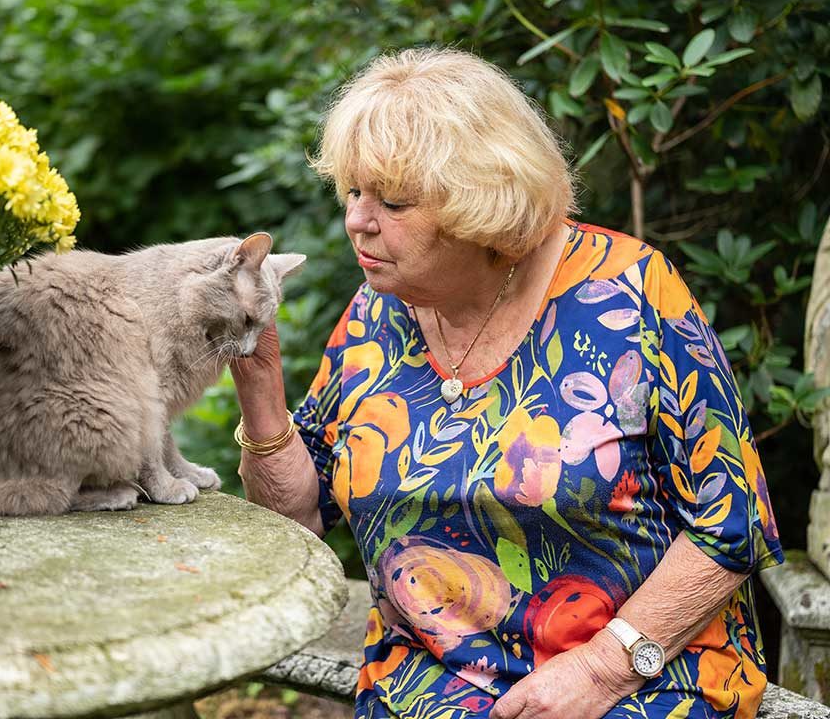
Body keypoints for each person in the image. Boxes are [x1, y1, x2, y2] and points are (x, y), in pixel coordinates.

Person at [230, 47, 782, 719]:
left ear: (482, 201)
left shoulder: (630, 295)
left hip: (640, 681)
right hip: (425, 690)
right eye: (353, 191)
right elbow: (299, 517)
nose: (357, 221)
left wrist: (606, 668)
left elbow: (734, 524)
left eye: (393, 201)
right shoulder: (376, 313)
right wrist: (260, 388)